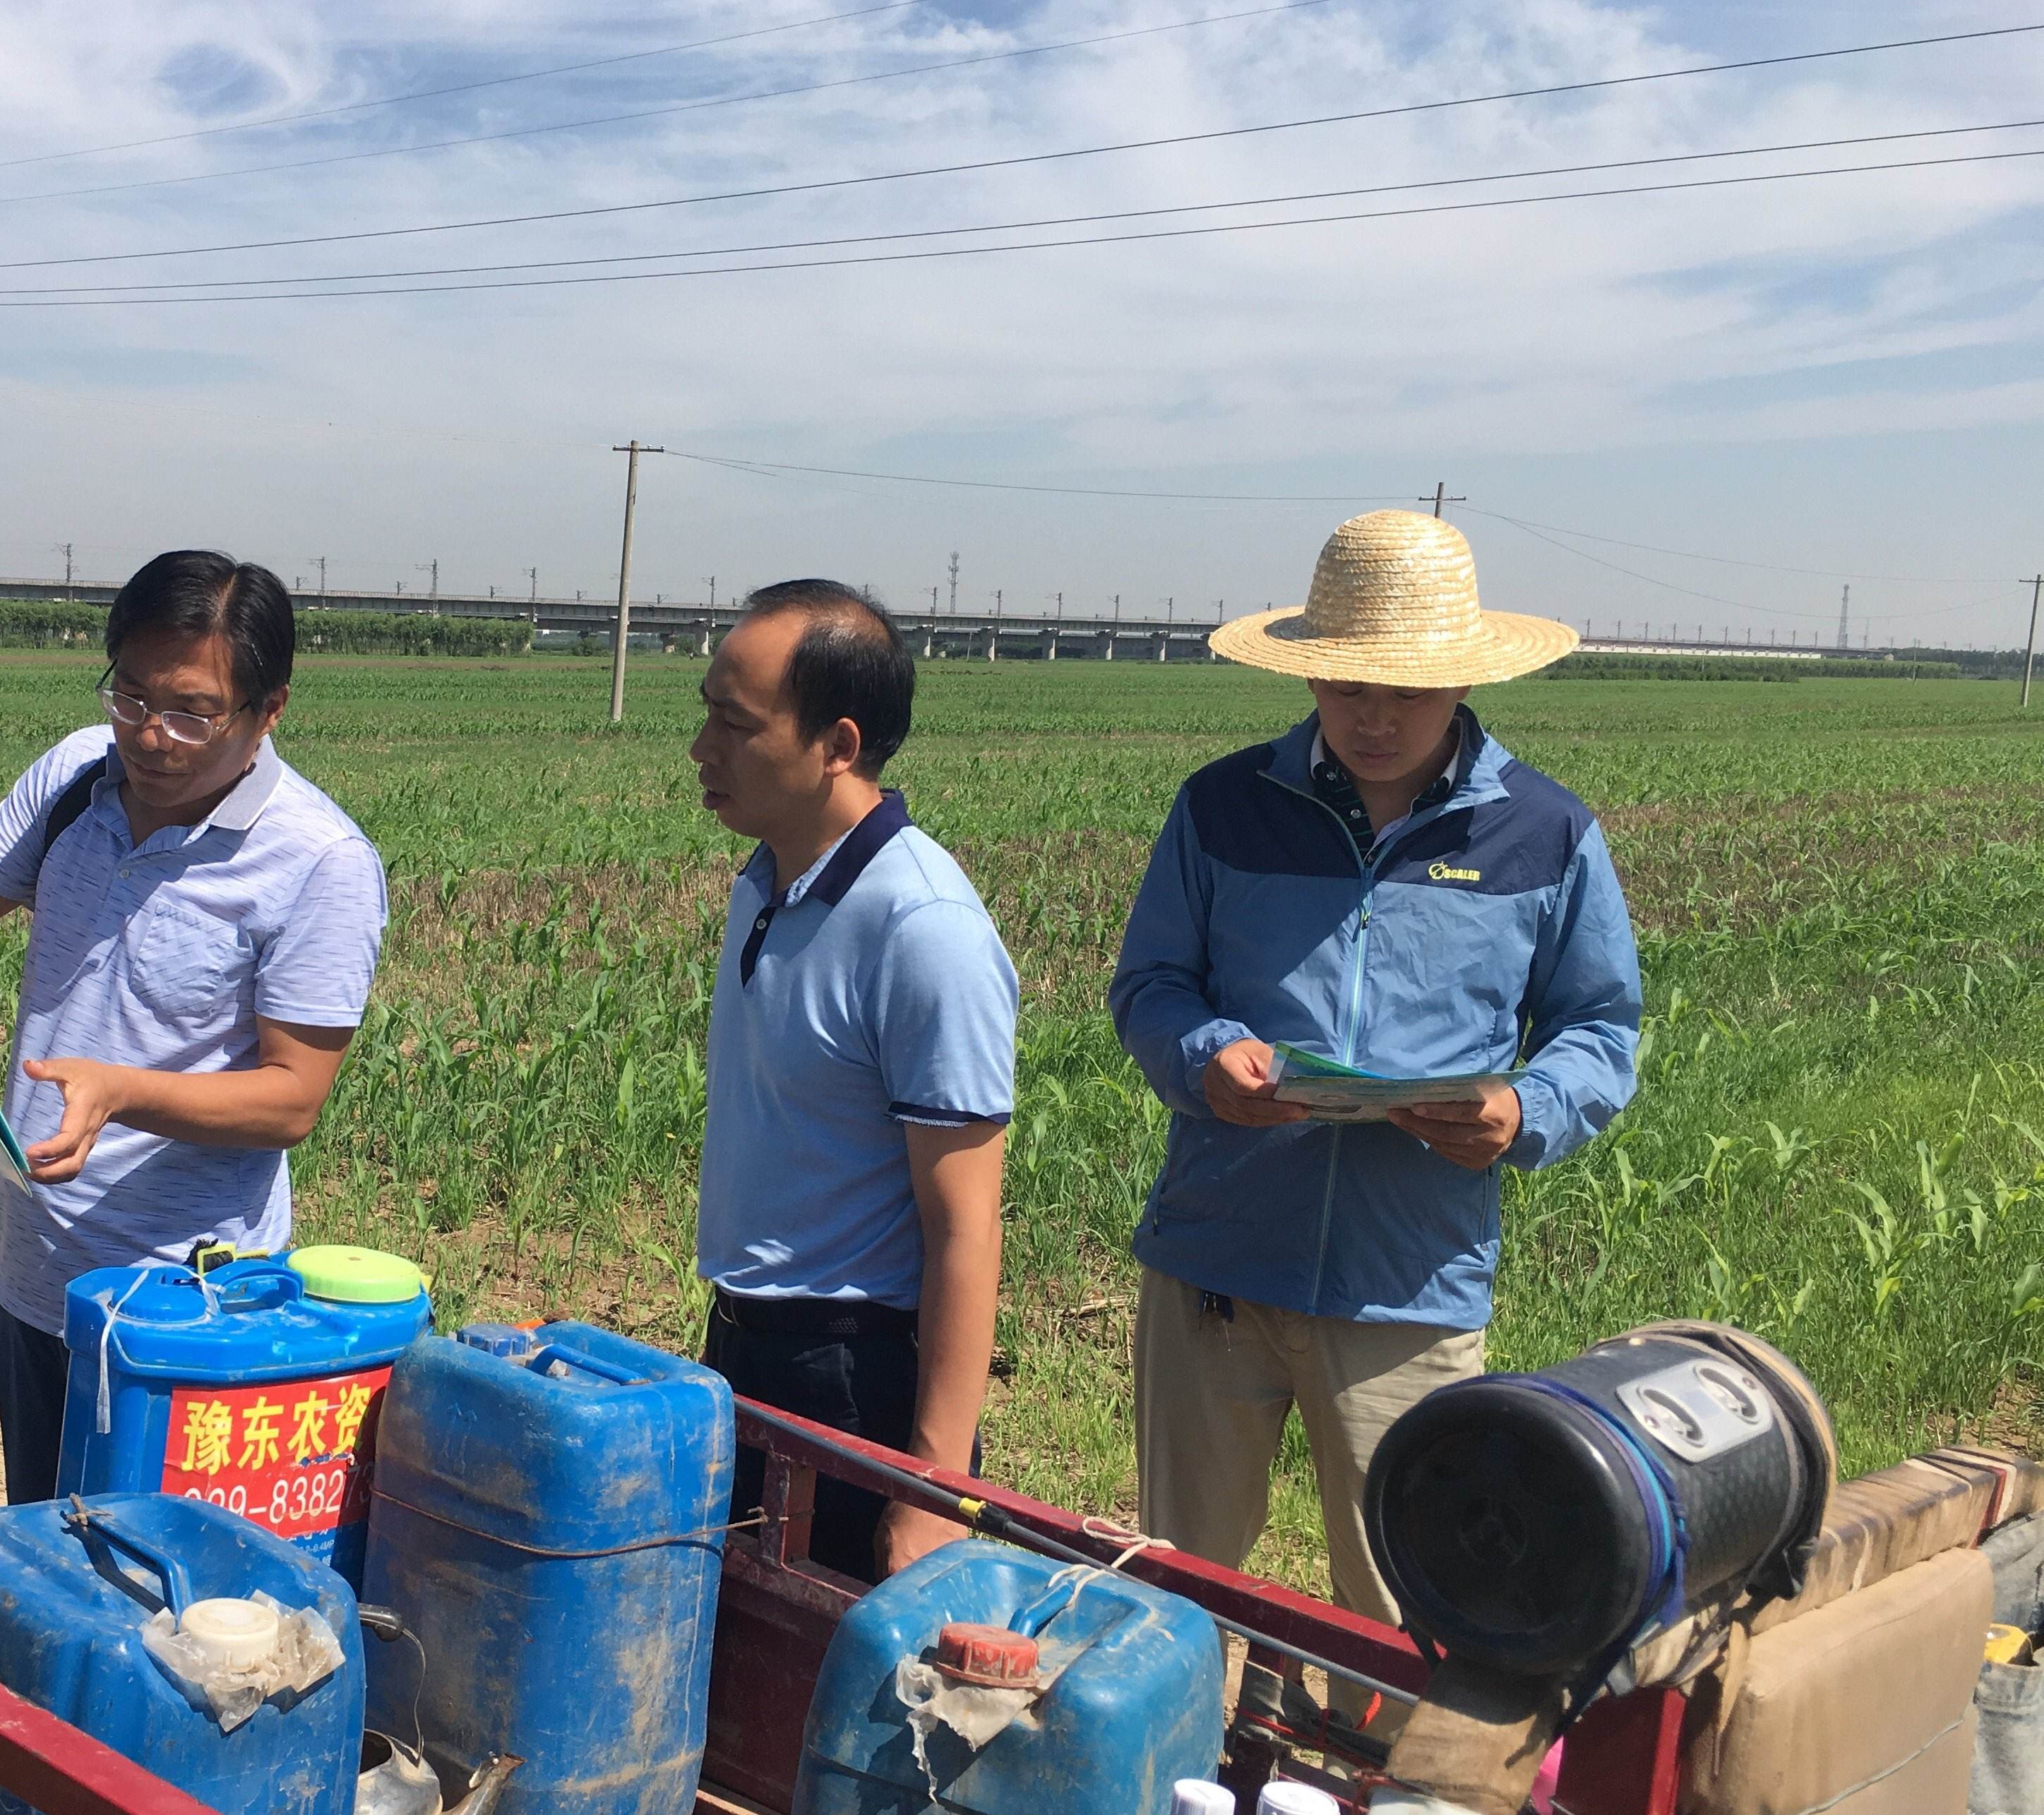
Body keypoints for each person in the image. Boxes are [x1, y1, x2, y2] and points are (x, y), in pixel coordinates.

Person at [1109, 508, 1642, 1632]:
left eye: (1406, 689)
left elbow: (1601, 1028)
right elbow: (1150, 985)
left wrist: (1523, 1108)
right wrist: (1204, 1057)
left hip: (1413, 1283)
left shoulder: (1544, 836)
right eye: (1349, 685)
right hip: (1217, 1261)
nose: (1374, 715)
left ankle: (1385, 1804)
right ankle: (1188, 1787)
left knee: (1412, 1608)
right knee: (1180, 1591)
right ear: (1310, 673)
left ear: (1461, 678)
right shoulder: (1221, 808)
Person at [0, 551, 386, 1504]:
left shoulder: (319, 864)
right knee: (41, 1549)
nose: (152, 737)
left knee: (166, 1589)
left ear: (269, 710)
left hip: (188, 1307)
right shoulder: (78, 775)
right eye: (130, 696)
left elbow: (291, 1099)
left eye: (193, 713)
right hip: (37, 1272)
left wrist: (123, 1094)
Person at [691, 580, 1019, 1580]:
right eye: (705, 712)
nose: (701, 749)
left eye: (734, 724)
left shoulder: (925, 932)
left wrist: (934, 1490)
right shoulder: (766, 878)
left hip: (850, 1373)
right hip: (741, 1340)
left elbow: (965, 1226)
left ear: (837, 743)